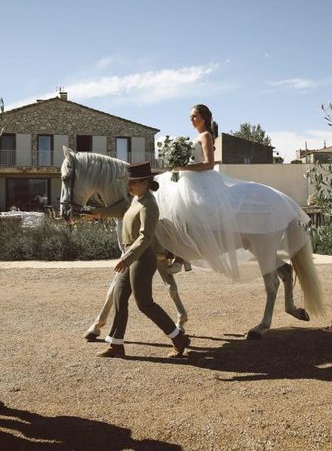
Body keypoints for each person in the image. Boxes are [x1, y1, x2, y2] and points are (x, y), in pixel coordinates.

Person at [153, 104, 308, 280]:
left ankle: (182, 258)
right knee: (176, 209)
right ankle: (182, 254)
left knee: (191, 209)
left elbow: (209, 164)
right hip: (190, 178)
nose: (191, 120)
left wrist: (183, 166)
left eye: (194, 116)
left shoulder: (205, 136)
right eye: (190, 117)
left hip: (202, 180)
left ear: (203, 118)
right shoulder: (196, 137)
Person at [88, 162, 190, 358]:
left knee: (144, 303)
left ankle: (178, 338)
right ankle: (116, 344)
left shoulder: (149, 205)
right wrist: (97, 214)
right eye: (128, 182)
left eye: (133, 182)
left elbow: (145, 238)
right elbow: (119, 210)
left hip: (142, 258)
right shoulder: (135, 199)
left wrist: (126, 259)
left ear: (145, 182)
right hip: (131, 256)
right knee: (119, 296)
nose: (129, 186)